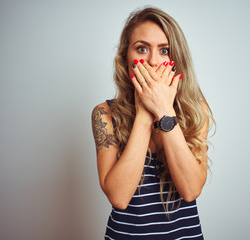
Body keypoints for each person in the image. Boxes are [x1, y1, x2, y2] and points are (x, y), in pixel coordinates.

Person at [91, 6, 215, 240]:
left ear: (176, 59)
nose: (152, 61)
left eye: (164, 50)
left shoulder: (196, 110)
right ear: (125, 57)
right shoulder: (104, 114)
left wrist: (164, 110)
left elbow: (190, 190)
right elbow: (118, 196)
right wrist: (145, 113)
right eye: (142, 48)